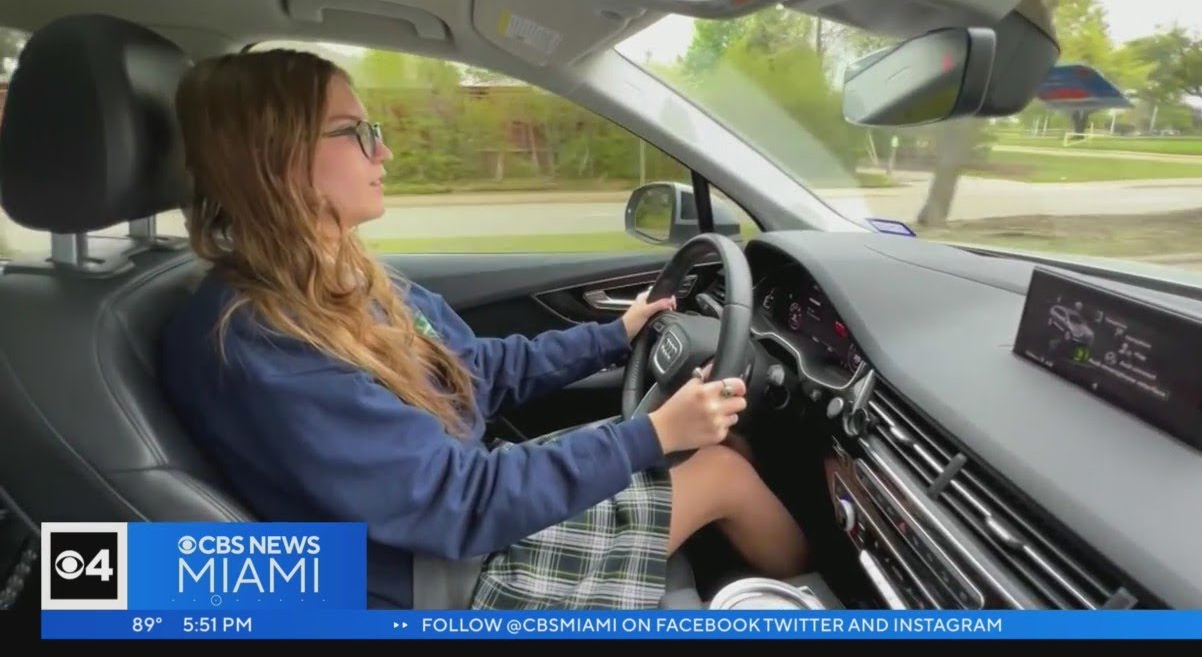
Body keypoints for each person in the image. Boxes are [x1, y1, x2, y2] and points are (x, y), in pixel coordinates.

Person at [157, 49, 810, 610]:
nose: (382, 149)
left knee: (723, 452)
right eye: (355, 132)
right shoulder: (262, 340)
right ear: (278, 156)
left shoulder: (343, 279)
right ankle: (827, 599)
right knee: (721, 471)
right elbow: (456, 503)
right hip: (438, 579)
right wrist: (652, 433)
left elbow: (475, 372)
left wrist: (616, 335)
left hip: (456, 518)